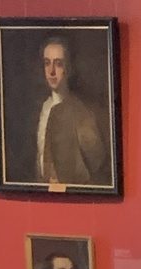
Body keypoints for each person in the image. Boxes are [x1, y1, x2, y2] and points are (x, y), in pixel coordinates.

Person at [35, 36, 107, 187]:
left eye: (58, 64)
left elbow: (96, 161)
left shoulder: (81, 112)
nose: (51, 71)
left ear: (68, 68)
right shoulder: (43, 108)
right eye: (47, 63)